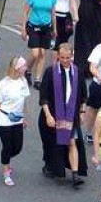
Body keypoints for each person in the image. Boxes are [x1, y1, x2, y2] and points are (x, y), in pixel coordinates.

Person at [37, 44, 87, 186]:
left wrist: (82, 112)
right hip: (53, 114)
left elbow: (83, 95)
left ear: (72, 56)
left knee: (71, 142)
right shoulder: (50, 72)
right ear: (58, 56)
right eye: (62, 57)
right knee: (52, 143)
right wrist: (48, 115)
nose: (65, 60)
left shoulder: (77, 72)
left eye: (68, 57)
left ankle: (75, 174)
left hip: (71, 116)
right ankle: (50, 165)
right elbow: (44, 96)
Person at [0, 56, 31, 186]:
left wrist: (24, 118)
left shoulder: (23, 81)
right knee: (7, 145)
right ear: (17, 68)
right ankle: (6, 171)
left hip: (17, 119)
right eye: (24, 66)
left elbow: (24, 101)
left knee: (17, 147)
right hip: (4, 119)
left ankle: (6, 160)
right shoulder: (4, 83)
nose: (26, 68)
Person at [21, 0, 58, 89]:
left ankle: (38, 79)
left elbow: (53, 14)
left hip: (46, 26)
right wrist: (23, 28)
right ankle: (26, 69)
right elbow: (25, 12)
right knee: (35, 53)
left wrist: (54, 29)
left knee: (42, 53)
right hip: (33, 26)